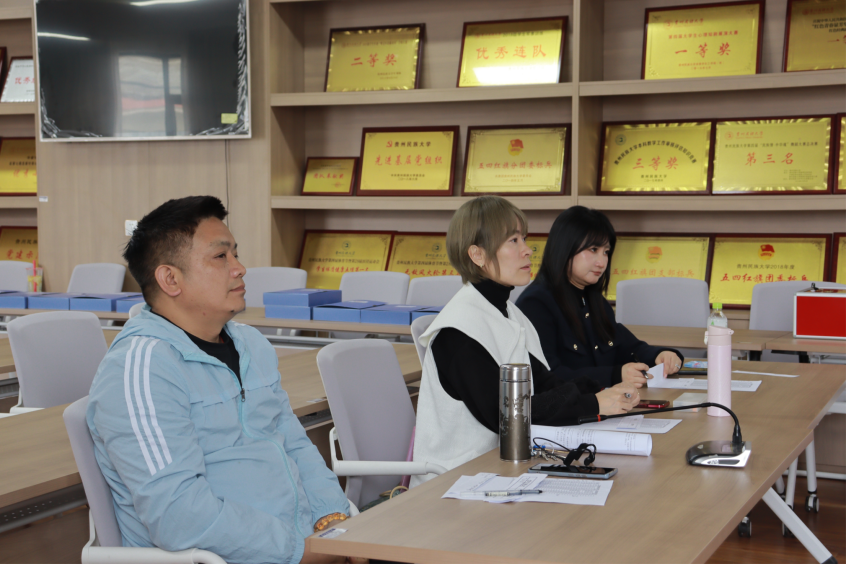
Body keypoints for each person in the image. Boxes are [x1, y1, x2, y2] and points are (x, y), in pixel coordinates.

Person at [87, 196, 364, 564]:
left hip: (303, 543)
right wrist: (300, 552)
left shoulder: (250, 344)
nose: (240, 268)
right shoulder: (142, 368)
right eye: (221, 257)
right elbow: (178, 516)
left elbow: (294, 445)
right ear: (170, 279)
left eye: (236, 254)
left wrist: (333, 522)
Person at [411, 196, 639, 487]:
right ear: (477, 255)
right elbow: (506, 417)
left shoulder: (506, 312)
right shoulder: (458, 331)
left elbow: (544, 382)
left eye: (524, 239)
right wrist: (593, 403)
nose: (528, 250)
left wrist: (604, 393)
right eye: (513, 241)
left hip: (504, 469)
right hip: (456, 483)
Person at [516, 206, 683, 390]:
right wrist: (615, 375)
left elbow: (629, 347)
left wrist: (661, 355)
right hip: (574, 407)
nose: (602, 262)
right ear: (565, 247)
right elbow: (547, 377)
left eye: (606, 252)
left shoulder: (594, 300)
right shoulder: (536, 304)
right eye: (593, 249)